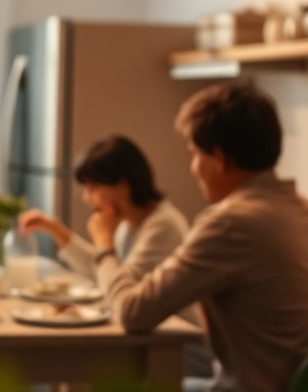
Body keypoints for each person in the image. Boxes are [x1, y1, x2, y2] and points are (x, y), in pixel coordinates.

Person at [93, 83, 308, 392]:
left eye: (196, 154)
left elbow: (133, 312)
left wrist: (104, 249)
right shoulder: (305, 211)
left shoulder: (231, 223)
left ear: (220, 158)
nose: (193, 168)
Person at [17, 134, 213, 377]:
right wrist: (57, 230)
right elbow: (105, 274)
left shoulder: (163, 226)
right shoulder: (129, 225)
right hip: (150, 339)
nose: (86, 198)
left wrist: (104, 242)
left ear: (122, 186)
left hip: (180, 349)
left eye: (93, 188)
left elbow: (121, 289)